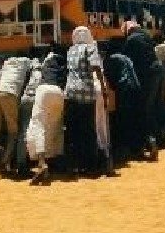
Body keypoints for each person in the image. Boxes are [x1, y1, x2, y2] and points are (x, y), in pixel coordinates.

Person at [64, 26, 107, 174]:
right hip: (86, 92)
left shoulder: (70, 50)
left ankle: (74, 165)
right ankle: (90, 166)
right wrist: (103, 88)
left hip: (70, 92)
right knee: (88, 129)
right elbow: (96, 67)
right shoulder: (90, 48)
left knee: (74, 129)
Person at [121, 21, 163, 160]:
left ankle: (148, 143)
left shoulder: (130, 40)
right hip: (157, 72)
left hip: (147, 75)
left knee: (142, 110)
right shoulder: (145, 35)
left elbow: (126, 59)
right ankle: (159, 138)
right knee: (152, 106)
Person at [25, 51, 68, 182]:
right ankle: (56, 162)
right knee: (55, 127)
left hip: (44, 91)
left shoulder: (46, 62)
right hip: (59, 93)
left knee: (39, 126)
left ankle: (42, 163)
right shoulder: (63, 65)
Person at [102, 53, 141, 163]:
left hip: (124, 89)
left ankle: (122, 151)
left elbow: (110, 80)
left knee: (121, 120)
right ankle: (137, 148)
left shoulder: (110, 60)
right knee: (133, 118)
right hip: (135, 87)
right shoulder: (124, 57)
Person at [14, 58, 42, 176]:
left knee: (23, 131)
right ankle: (35, 161)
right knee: (38, 130)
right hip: (36, 98)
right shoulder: (44, 69)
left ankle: (21, 163)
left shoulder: (28, 70)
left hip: (25, 98)